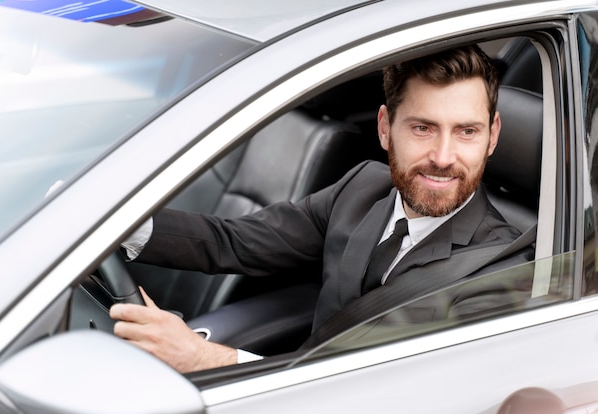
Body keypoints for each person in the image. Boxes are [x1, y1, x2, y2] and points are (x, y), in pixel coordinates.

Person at [110, 45, 534, 373]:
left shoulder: (500, 275)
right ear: (385, 128)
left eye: (467, 132)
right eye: (423, 128)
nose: (443, 156)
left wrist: (206, 359)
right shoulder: (362, 187)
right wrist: (110, 225)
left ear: (492, 136)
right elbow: (234, 241)